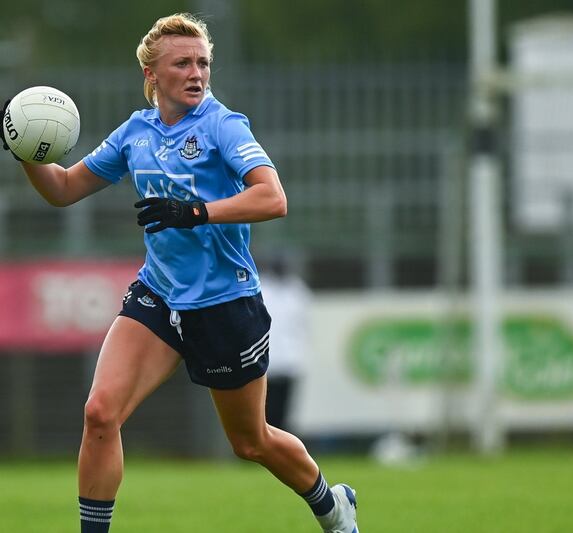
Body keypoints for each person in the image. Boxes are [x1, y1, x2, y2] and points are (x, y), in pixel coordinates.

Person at [0, 13, 358, 533]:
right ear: (152, 76)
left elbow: (273, 197)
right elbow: (62, 189)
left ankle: (332, 504)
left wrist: (194, 211)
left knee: (250, 441)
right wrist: (24, 148)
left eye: (203, 62)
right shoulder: (135, 132)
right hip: (159, 298)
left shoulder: (222, 125)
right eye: (183, 63)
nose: (197, 73)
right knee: (100, 414)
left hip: (225, 306)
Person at [261, 254, 312, 431]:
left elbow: (303, 325)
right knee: (264, 412)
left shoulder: (297, 291)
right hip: (265, 362)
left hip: (289, 361)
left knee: (284, 413)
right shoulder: (261, 288)